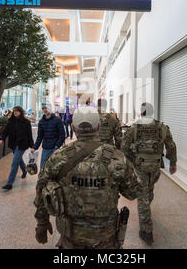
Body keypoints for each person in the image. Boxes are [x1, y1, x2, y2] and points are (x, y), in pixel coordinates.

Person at [34, 106, 143, 249]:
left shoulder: (58, 158)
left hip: (70, 238)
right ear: (99, 127)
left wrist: (42, 224)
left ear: (73, 128)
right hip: (106, 239)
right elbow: (132, 192)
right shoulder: (116, 157)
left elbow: (42, 191)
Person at [121, 102, 177, 245]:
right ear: (152, 113)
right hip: (156, 168)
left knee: (143, 196)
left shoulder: (134, 128)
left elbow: (124, 147)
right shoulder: (161, 127)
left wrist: (130, 163)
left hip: (140, 168)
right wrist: (173, 163)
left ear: (141, 112)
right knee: (147, 192)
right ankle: (146, 213)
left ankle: (147, 231)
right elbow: (171, 145)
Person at [0, 106, 34, 190]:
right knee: (19, 160)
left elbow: (29, 134)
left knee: (14, 163)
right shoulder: (11, 121)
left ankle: (9, 183)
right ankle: (24, 171)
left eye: (17, 111)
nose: (15, 112)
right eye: (14, 111)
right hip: (13, 144)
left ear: (21, 112)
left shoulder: (26, 122)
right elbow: (5, 132)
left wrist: (32, 146)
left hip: (22, 145)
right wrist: (2, 139)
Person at [30, 103, 65, 169]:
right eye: (43, 108)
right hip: (46, 148)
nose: (45, 110)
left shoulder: (57, 120)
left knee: (55, 168)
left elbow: (62, 134)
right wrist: (34, 147)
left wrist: (57, 145)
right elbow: (40, 136)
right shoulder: (41, 122)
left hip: (55, 148)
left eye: (46, 108)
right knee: (42, 167)